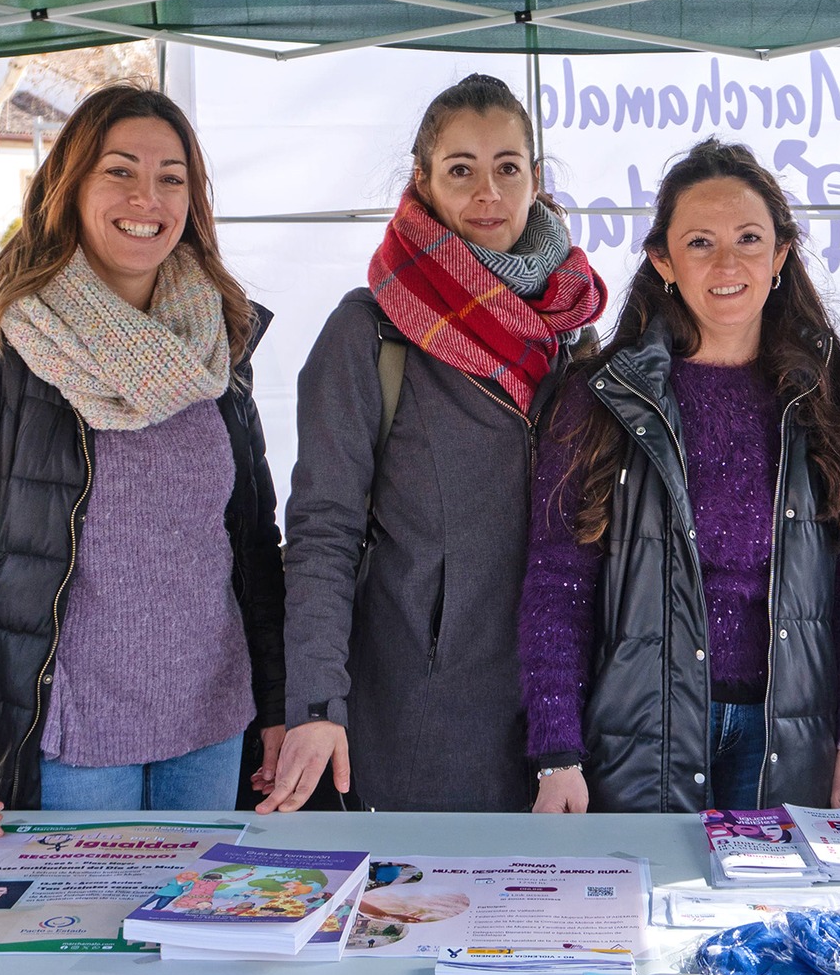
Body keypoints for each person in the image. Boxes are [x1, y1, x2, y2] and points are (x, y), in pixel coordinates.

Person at [0, 84, 287, 851]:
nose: (148, 197)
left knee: (193, 956)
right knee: (82, 959)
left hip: (211, 730)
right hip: (67, 743)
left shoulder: (218, 345)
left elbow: (253, 547)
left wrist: (280, 704)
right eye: (120, 171)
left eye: (172, 178)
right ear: (68, 186)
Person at [521, 138, 840, 814]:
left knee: (768, 918)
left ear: (781, 256)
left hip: (789, 737)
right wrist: (556, 754)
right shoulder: (603, 398)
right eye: (700, 242)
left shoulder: (827, 395)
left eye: (749, 238)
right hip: (640, 736)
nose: (727, 262)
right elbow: (557, 584)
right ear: (663, 261)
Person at [259, 73, 608, 813]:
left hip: (562, 714)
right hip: (417, 716)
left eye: (507, 167)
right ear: (423, 181)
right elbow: (322, 530)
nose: (488, 192)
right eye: (461, 170)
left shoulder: (574, 330)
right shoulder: (370, 330)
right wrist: (318, 705)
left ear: (534, 179)